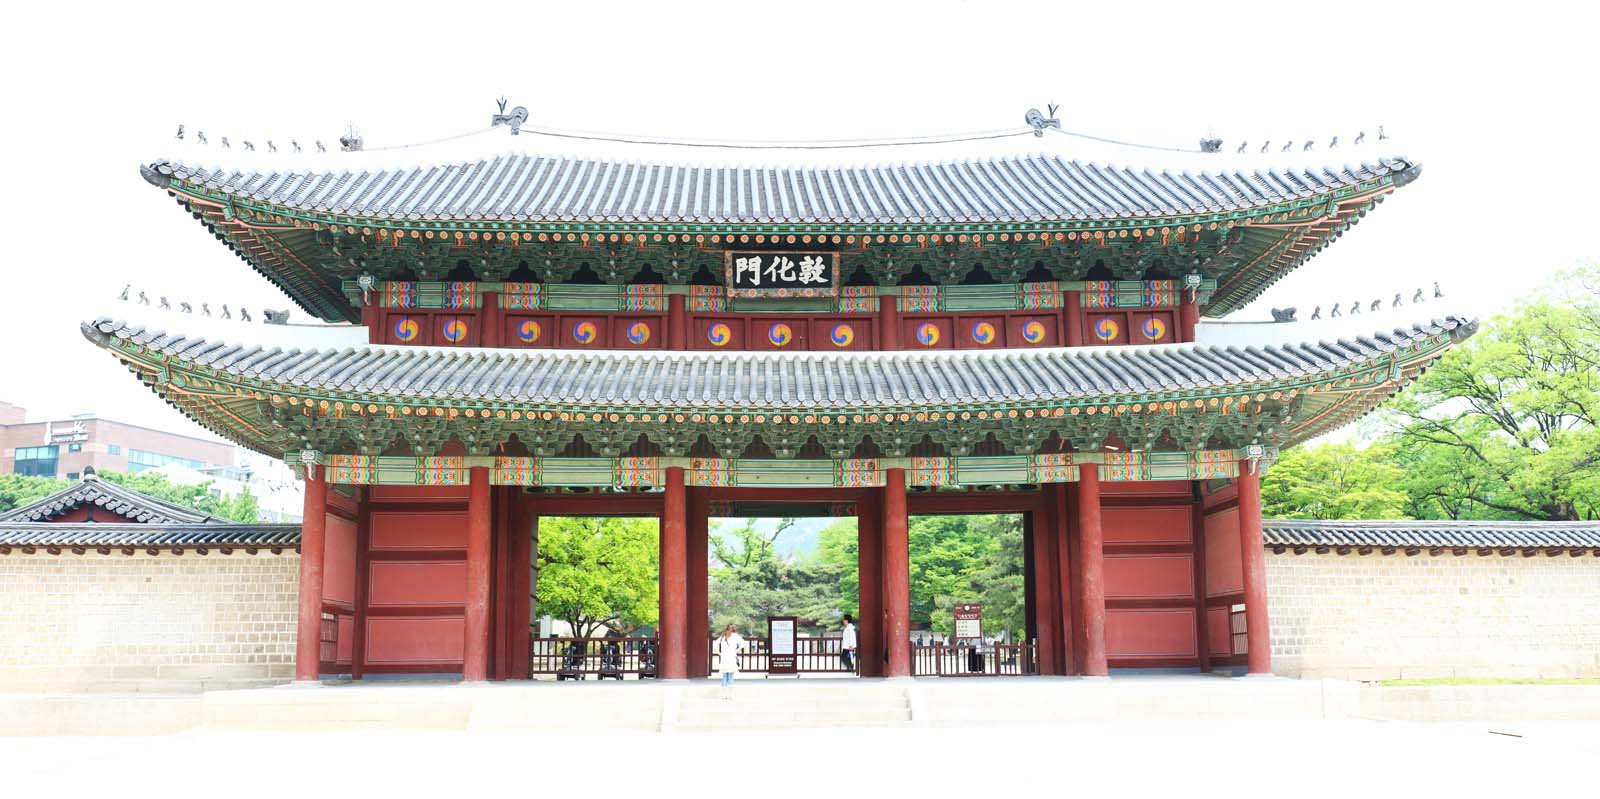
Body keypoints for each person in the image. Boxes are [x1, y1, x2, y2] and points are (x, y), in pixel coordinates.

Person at [714, 623, 746, 699]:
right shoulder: (735, 636)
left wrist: (720, 653)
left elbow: (715, 645)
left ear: (726, 628)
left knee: (724, 677)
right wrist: (737, 650)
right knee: (730, 677)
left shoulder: (723, 636)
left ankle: (723, 695)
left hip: (724, 658)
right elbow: (744, 643)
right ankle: (730, 695)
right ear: (733, 629)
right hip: (732, 658)